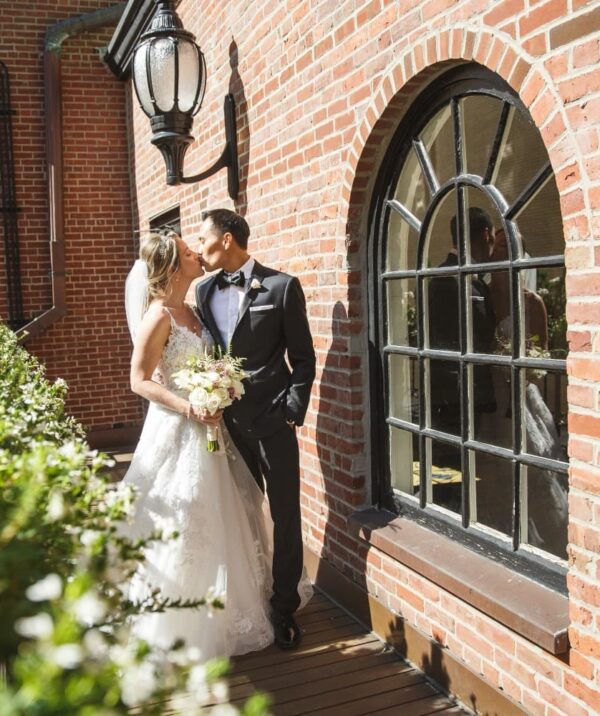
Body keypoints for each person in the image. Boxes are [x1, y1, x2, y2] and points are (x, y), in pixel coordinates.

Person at [121, 230, 276, 659]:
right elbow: (138, 381)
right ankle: (180, 618)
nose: (197, 255)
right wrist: (190, 407)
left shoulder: (191, 308)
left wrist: (219, 390)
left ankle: (229, 609)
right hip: (179, 429)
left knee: (224, 511)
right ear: (174, 268)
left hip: (211, 427)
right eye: (190, 253)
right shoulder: (159, 317)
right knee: (188, 515)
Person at [195, 208, 316, 650]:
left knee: (284, 515)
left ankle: (284, 606)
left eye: (203, 236)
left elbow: (303, 358)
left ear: (227, 239)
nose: (198, 245)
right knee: (243, 515)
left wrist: (291, 411)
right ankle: (250, 598)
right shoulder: (203, 291)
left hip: (273, 422)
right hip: (226, 425)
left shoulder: (281, 287)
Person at [428, 207, 497, 466]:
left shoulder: (472, 278)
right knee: (456, 463)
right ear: (485, 234)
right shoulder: (446, 278)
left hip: (471, 391)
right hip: (456, 395)